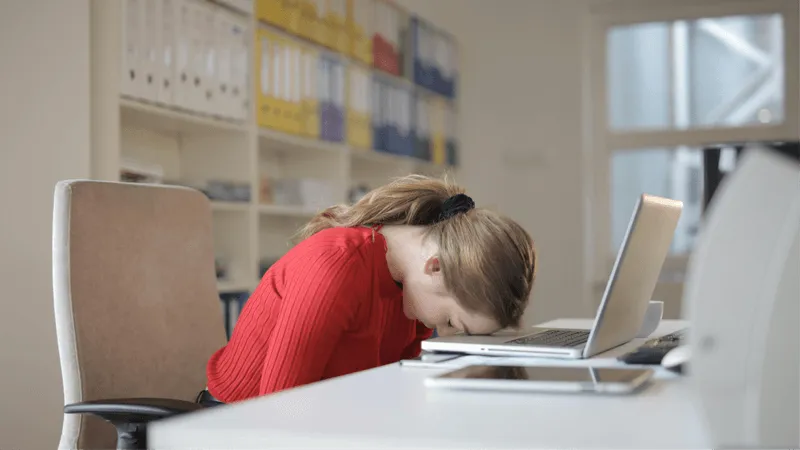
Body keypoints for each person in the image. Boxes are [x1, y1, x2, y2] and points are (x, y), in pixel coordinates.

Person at [200, 174, 537, 404]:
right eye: (451, 322)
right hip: (233, 424)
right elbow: (279, 413)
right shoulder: (335, 265)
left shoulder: (414, 293)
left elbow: (389, 393)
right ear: (435, 267)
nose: (445, 334)